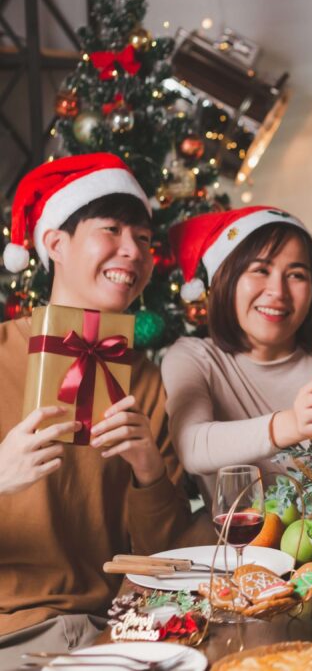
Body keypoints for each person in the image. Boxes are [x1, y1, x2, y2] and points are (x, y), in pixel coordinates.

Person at [0, 154, 190, 653]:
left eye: (144, 239)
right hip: (12, 636)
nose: (133, 251)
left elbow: (164, 559)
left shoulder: (147, 380)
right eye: (111, 229)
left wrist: (149, 473)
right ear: (55, 244)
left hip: (115, 631)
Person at [161, 206, 312, 507]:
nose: (278, 291)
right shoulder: (195, 357)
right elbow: (192, 448)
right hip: (229, 551)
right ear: (226, 280)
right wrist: (292, 424)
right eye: (261, 270)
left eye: (296, 275)